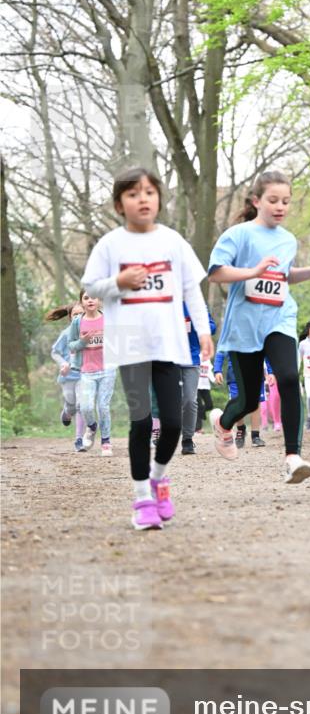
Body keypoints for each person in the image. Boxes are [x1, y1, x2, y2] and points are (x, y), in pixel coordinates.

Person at [81, 167, 213, 529]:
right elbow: (91, 288)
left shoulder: (172, 241)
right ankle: (142, 499)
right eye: (133, 194)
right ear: (119, 204)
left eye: (149, 192)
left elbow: (191, 291)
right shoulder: (111, 245)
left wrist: (203, 331)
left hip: (169, 343)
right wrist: (119, 281)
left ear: (159, 199)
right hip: (129, 344)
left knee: (172, 423)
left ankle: (158, 478)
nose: (143, 199)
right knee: (141, 423)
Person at [207, 170, 310, 483]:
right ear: (256, 201)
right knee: (249, 400)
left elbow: (284, 277)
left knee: (290, 378)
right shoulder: (238, 235)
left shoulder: (288, 239)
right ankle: (223, 423)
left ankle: (293, 457)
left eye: (286, 202)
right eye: (273, 200)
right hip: (244, 325)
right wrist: (252, 271)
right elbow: (215, 273)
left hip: (279, 319)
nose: (280, 207)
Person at [67, 292, 117, 455]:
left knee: (103, 406)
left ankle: (106, 441)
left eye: (94, 297)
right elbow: (71, 345)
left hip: (107, 370)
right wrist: (83, 342)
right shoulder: (77, 322)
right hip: (87, 371)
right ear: (82, 302)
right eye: (86, 298)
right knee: (86, 407)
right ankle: (92, 426)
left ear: (99, 300)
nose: (90, 300)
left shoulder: (108, 319)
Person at [46, 301, 86, 451]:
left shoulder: (91, 332)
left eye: (81, 314)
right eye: (75, 314)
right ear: (70, 317)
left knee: (81, 405)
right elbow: (54, 352)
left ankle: (79, 440)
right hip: (68, 376)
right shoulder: (66, 334)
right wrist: (63, 363)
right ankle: (67, 412)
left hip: (84, 375)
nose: (78, 317)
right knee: (71, 405)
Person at [181, 303, 216, 455]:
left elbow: (212, 327)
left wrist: (199, 325)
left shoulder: (195, 302)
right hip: (168, 359)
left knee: (190, 399)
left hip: (191, 359)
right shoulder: (165, 300)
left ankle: (187, 439)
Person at [213, 348, 266, 447]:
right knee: (237, 401)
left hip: (255, 370)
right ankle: (241, 429)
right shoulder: (230, 332)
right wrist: (217, 370)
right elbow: (221, 349)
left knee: (256, 402)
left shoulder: (256, 332)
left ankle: (255, 435)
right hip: (234, 373)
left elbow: (266, 348)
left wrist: (271, 371)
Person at [195, 358, 215, 433]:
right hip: (196, 386)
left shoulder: (208, 360)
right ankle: (198, 429)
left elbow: (209, 372)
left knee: (210, 405)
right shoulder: (196, 357)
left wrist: (214, 380)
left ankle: (201, 413)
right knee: (199, 406)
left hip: (206, 386)